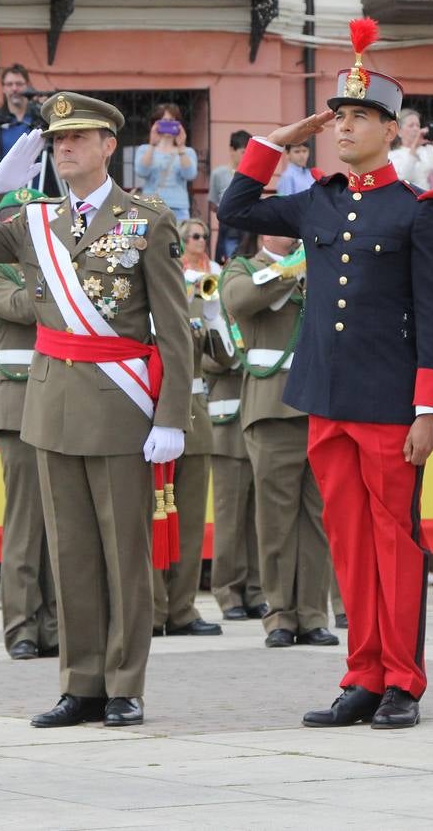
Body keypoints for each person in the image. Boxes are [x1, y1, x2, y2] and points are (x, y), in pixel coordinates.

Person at [218, 19, 433, 729]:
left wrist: (428, 410)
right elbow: (234, 209)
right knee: (349, 544)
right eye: (339, 117)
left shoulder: (416, 213)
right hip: (324, 399)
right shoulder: (319, 198)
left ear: (390, 130)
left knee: (394, 543)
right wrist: (280, 140)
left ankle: (402, 683)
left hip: (389, 405)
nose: (344, 128)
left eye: (358, 117)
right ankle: (361, 674)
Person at [0, 91, 192, 730]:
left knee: (123, 554)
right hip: (49, 407)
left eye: (78, 138)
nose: (65, 148)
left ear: (109, 146)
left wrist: (170, 416)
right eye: (57, 140)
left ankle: (125, 682)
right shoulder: (32, 223)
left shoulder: (147, 219)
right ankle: (81, 683)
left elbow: (175, 328)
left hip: (119, 406)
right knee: (70, 553)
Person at [220, 233, 336, 648]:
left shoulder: (315, 266)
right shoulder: (244, 268)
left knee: (317, 519)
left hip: (319, 407)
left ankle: (313, 613)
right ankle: (279, 615)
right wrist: (290, 271)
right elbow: (238, 300)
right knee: (275, 522)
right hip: (271, 408)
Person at [0, 253, 58, 661]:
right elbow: (22, 306)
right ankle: (22, 625)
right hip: (19, 408)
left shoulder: (49, 262)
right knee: (25, 525)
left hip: (57, 403)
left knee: (61, 523)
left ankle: (56, 624)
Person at [153, 220, 229, 637]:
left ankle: (181, 609)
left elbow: (228, 357)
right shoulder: (144, 290)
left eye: (199, 239)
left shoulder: (204, 289)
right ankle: (149, 610)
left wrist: (214, 316)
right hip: (148, 413)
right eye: (187, 240)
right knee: (149, 519)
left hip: (195, 416)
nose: (192, 246)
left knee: (189, 521)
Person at [203, 265, 265, 622]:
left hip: (255, 421)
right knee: (230, 517)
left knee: (261, 517)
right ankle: (228, 590)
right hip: (227, 428)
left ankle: (257, 589)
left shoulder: (253, 317)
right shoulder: (211, 315)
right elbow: (212, 361)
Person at [134, 102, 198, 221]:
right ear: (155, 124)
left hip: (179, 208)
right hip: (151, 206)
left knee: (178, 239)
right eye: (164, 121)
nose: (168, 124)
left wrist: (181, 147)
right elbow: (141, 171)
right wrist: (152, 144)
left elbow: (190, 175)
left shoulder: (187, 152)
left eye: (172, 121)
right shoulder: (144, 149)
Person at [208, 130, 252, 261]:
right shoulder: (218, 173)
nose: (246, 156)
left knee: (249, 259)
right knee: (230, 260)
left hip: (248, 224)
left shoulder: (252, 175)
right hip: (229, 226)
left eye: (249, 152)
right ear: (232, 150)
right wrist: (225, 210)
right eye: (243, 152)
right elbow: (213, 201)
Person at [388, 107, 433, 189]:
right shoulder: (393, 155)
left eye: (418, 125)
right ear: (399, 132)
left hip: (429, 199)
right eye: (411, 126)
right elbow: (403, 178)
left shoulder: (429, 150)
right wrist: (414, 147)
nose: (416, 129)